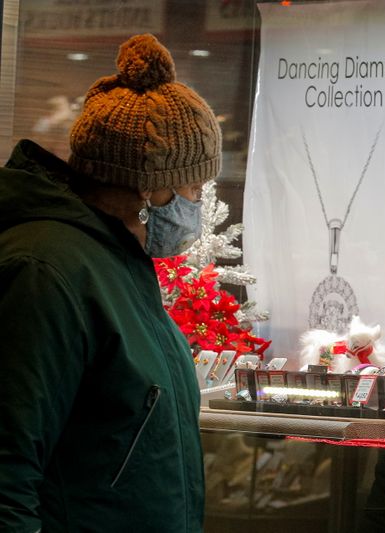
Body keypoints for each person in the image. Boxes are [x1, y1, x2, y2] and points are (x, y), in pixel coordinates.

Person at [0, 34, 221, 532]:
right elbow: (8, 468)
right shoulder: (46, 272)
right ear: (148, 189)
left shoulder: (119, 263)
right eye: (193, 187)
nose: (198, 202)